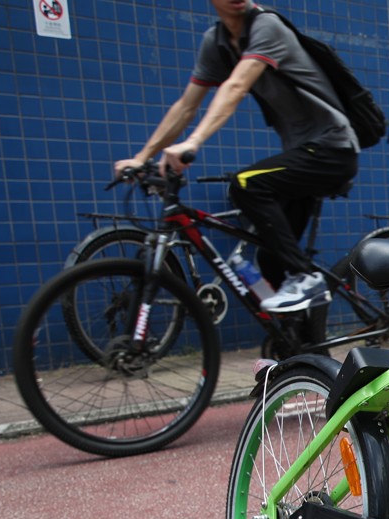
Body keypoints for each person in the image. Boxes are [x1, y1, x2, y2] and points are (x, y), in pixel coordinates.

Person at [115, 0, 359, 314]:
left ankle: (306, 276)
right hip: (302, 153)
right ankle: (299, 351)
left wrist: (192, 143)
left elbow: (236, 85)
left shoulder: (266, 26)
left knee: (244, 184)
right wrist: (142, 156)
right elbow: (186, 106)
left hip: (332, 148)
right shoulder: (216, 43)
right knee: (270, 260)